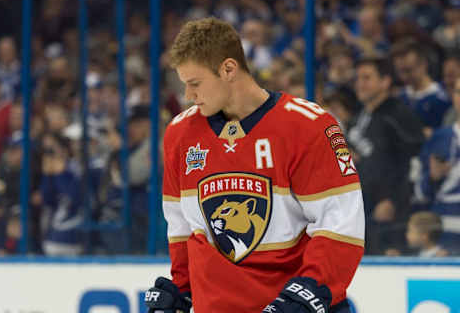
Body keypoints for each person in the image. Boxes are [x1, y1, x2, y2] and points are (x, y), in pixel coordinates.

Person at [145, 17, 365, 313]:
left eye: (195, 84)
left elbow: (342, 228)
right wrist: (182, 289)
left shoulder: (309, 126)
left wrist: (309, 295)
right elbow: (182, 229)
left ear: (228, 69)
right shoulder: (180, 134)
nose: (188, 96)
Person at [347, 57, 425, 255]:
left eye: (367, 78)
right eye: (358, 78)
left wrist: (391, 199)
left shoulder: (398, 115)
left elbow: (412, 161)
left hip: (390, 212)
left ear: (385, 81)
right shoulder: (359, 116)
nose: (360, 84)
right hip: (361, 208)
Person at [413, 76, 460, 255]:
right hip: (443, 235)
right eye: (458, 92)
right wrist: (432, 177)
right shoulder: (438, 138)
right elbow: (420, 193)